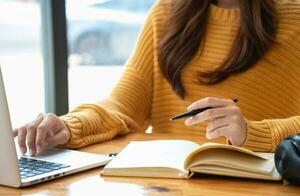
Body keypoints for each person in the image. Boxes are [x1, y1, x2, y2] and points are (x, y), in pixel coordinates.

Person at [14, 0, 300, 156]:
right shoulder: (166, 12)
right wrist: (68, 126)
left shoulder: (295, 16)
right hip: (171, 183)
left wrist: (251, 133)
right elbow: (123, 105)